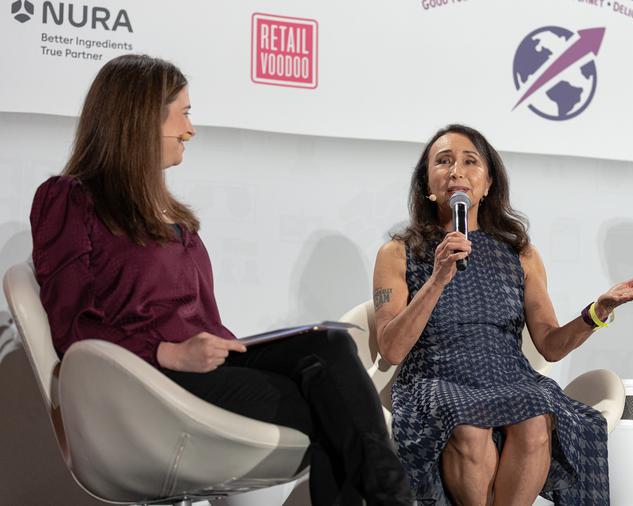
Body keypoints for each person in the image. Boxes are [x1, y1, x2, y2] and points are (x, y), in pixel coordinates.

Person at [29, 54, 412, 506]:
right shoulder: (70, 198)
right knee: (336, 406)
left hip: (208, 365)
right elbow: (71, 325)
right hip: (147, 381)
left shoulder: (172, 215)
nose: (190, 130)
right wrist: (165, 352)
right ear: (142, 117)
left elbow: (201, 321)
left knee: (329, 343)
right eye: (184, 113)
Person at [372, 124, 633, 505]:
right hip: (435, 376)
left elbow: (550, 344)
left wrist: (595, 313)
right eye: (444, 161)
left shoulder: (521, 253)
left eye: (470, 162)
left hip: (507, 376)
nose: (456, 172)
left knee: (537, 419)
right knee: (469, 426)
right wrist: (437, 279)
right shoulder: (398, 252)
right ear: (427, 185)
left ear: (488, 184)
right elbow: (391, 349)